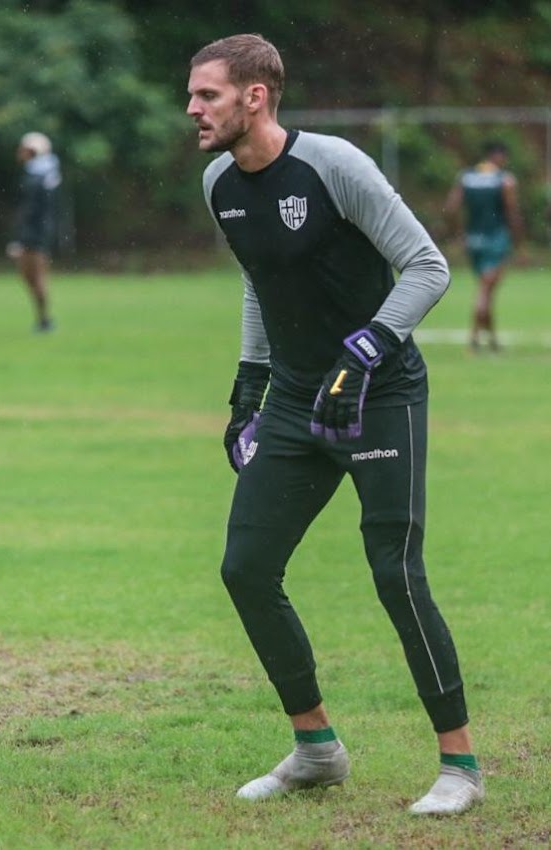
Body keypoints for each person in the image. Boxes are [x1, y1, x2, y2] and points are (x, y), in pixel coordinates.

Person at [187, 34, 482, 815]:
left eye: (207, 95)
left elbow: (427, 266)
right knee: (246, 568)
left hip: (380, 395)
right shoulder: (220, 180)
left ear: (256, 97)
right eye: (192, 95)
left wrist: (367, 349)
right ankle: (316, 749)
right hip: (293, 401)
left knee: (394, 572)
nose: (192, 109)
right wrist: (249, 386)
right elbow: (262, 282)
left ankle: (459, 766)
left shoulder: (335, 166)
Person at [444, 140, 524, 352]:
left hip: (473, 241)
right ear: (500, 157)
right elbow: (512, 212)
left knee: (486, 289)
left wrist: (460, 234)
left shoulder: (466, 177)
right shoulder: (505, 180)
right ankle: (473, 338)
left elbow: (451, 208)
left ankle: (493, 340)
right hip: (496, 239)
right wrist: (518, 242)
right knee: (485, 291)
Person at [6, 132, 62, 333]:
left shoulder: (38, 177)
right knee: (30, 276)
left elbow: (30, 211)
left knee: (35, 276)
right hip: (37, 232)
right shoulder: (44, 174)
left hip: (34, 234)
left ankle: (44, 320)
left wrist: (20, 239)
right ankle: (43, 319)